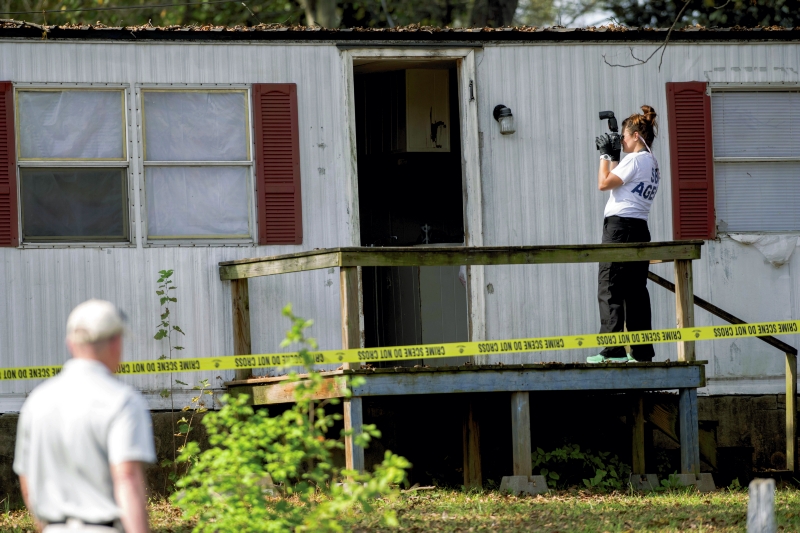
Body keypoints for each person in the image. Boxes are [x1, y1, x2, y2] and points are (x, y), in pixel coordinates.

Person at [14, 299, 156, 532]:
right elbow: (127, 477)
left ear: (70, 343)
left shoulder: (36, 401)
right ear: (116, 342)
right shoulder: (123, 401)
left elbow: (27, 479)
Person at [587, 106, 660, 364]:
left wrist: (605, 155)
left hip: (618, 228)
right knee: (635, 290)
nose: (622, 141)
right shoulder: (651, 163)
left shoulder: (635, 160)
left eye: (625, 137)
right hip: (639, 228)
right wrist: (615, 156)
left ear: (636, 136)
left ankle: (613, 350)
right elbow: (622, 181)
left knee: (610, 286)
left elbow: (604, 183)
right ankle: (641, 352)